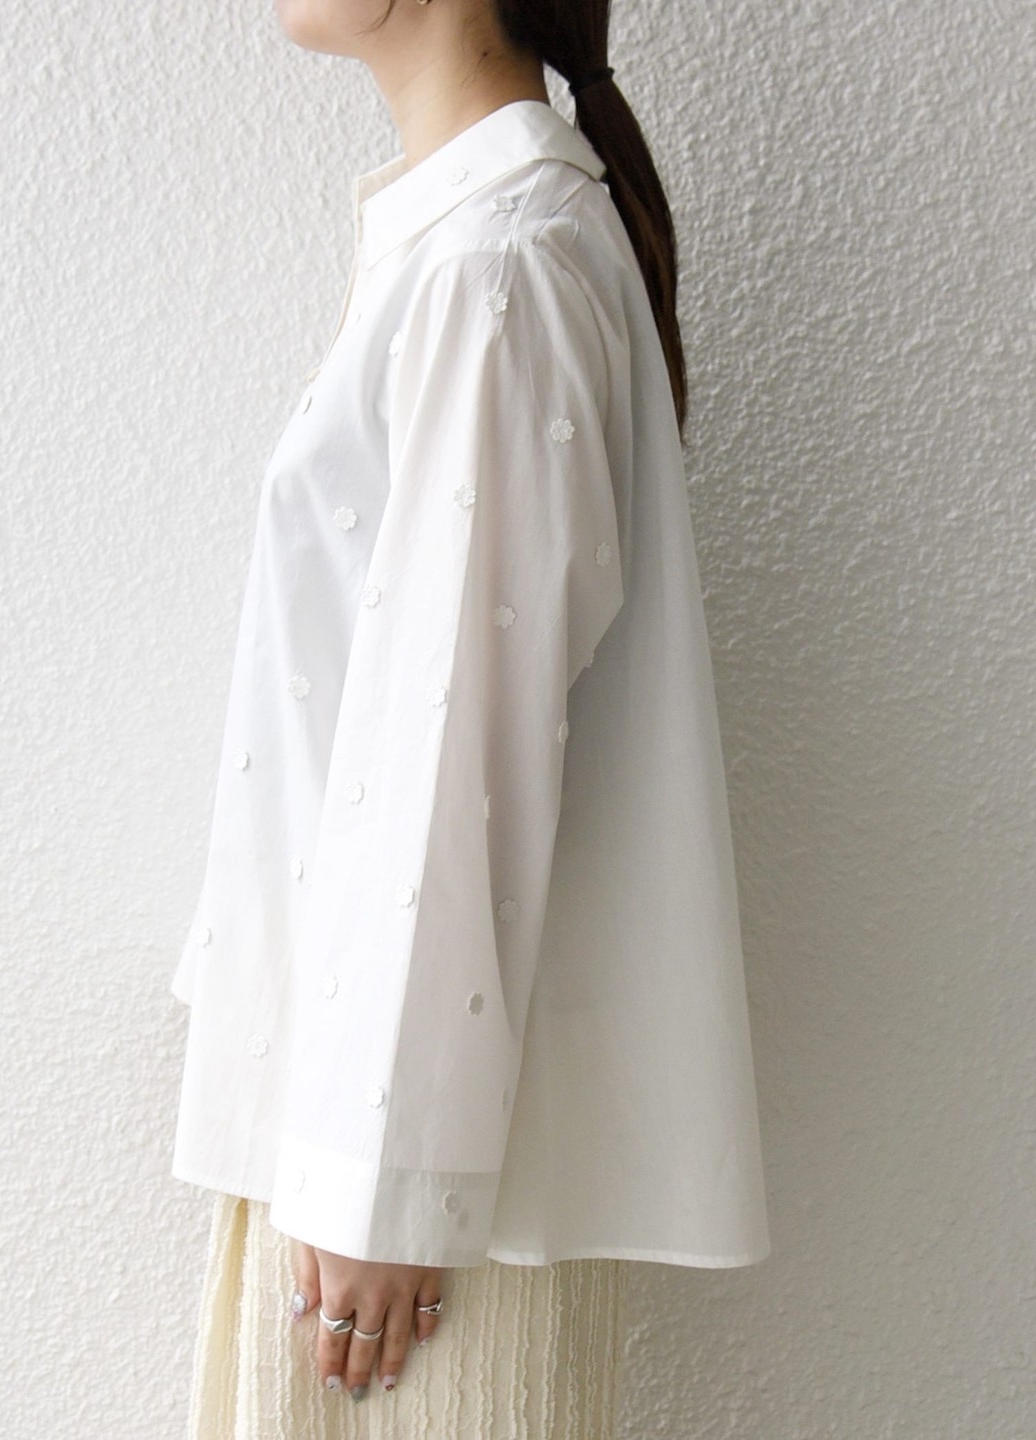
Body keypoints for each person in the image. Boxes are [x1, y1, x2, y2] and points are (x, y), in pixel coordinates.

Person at [169, 1, 771, 1434]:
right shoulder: (472, 244)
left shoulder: (497, 265)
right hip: (368, 1145)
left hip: (405, 1203)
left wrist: (385, 1185)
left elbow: (451, 744)